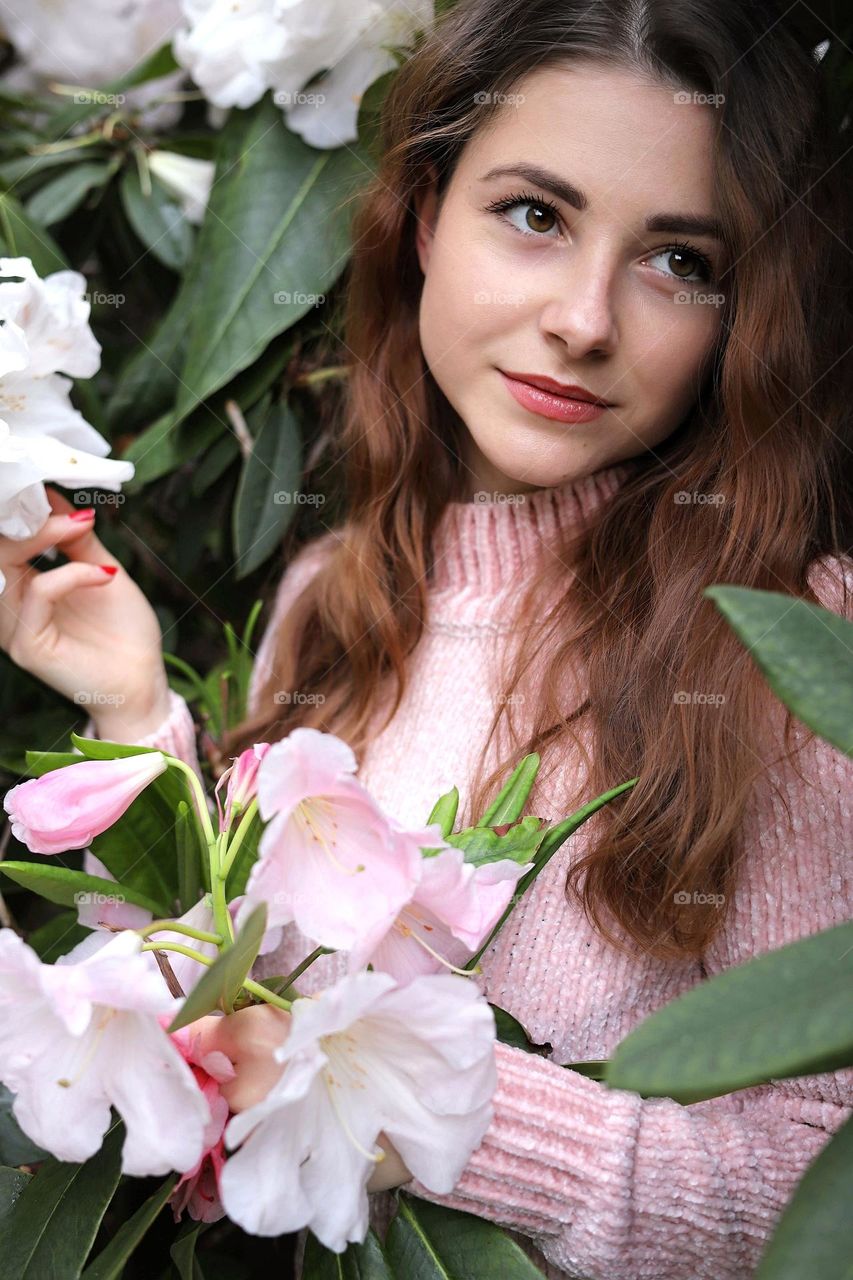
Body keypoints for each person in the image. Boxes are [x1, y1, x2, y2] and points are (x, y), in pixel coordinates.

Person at [2, 1, 851, 1276]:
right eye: (535, 214)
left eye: (680, 259)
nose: (583, 318)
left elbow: (814, 1194)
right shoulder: (329, 593)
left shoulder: (792, 648)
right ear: (421, 218)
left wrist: (433, 1105)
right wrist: (131, 711)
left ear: (744, 315)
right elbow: (198, 1021)